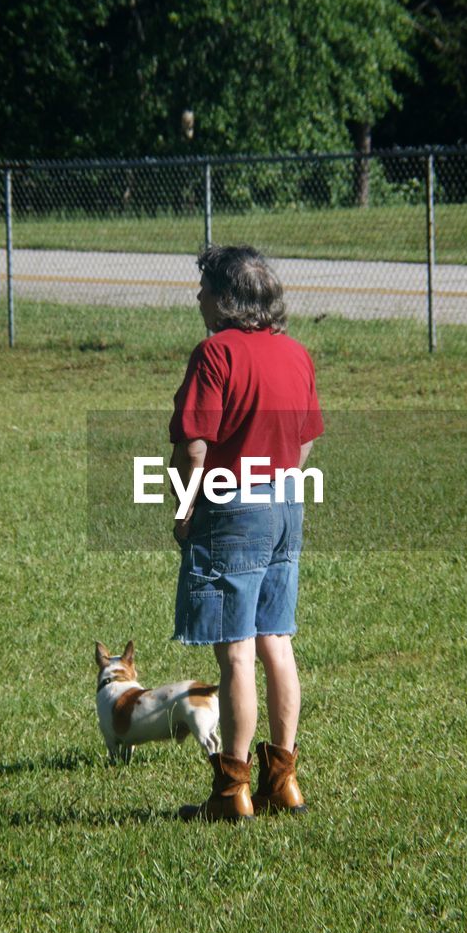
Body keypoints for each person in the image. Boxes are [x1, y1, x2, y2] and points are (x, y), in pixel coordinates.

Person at [169, 244, 324, 821]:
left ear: (228, 297)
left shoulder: (215, 354)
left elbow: (195, 446)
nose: (199, 297)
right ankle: (283, 782)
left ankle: (230, 792)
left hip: (233, 505)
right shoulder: (296, 354)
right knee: (276, 641)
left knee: (235, 653)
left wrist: (187, 506)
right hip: (286, 502)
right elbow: (306, 440)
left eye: (205, 286)